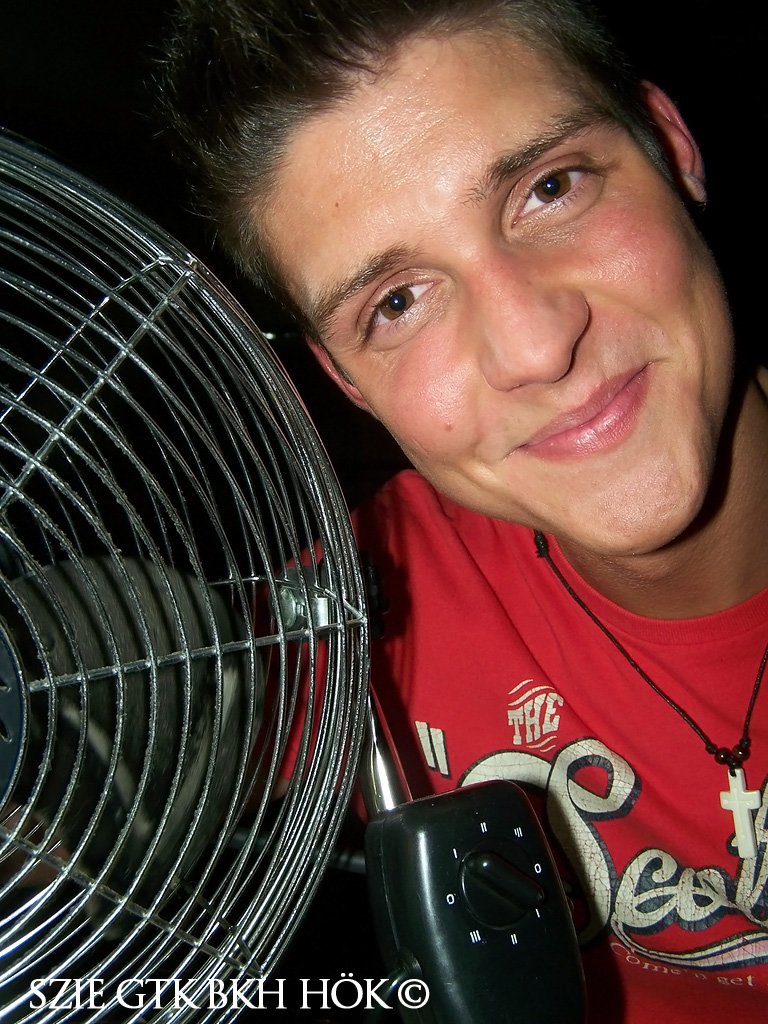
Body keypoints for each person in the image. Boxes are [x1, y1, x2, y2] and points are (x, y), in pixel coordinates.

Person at [159, 1, 768, 1019]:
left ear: (672, 148)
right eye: (396, 302)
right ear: (348, 381)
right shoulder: (363, 609)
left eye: (549, 189)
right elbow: (112, 736)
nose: (534, 346)